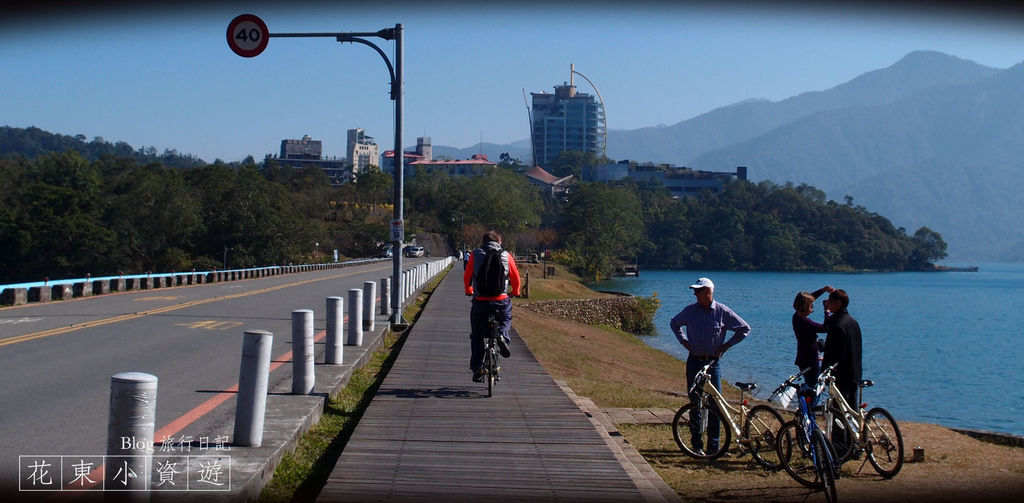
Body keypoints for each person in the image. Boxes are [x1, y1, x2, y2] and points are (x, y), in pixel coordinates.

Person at [669, 277, 751, 454]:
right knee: (695, 403)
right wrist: (684, 341)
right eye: (695, 291)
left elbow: (744, 328)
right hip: (694, 361)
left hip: (713, 363)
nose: (695, 294)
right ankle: (696, 446)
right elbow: (674, 323)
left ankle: (714, 447)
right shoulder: (690, 311)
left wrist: (727, 345)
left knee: (716, 404)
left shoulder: (722, 311)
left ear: (708, 292)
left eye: (698, 291)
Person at [464, 230, 521, 383]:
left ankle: (477, 369)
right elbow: (515, 277)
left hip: (480, 301)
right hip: (501, 300)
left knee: (476, 335)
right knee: (506, 318)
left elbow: (467, 276)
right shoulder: (506, 255)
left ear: (482, 242)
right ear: (499, 242)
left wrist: (468, 290)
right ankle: (503, 335)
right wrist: (515, 292)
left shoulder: (475, 254)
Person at [821, 289, 862, 410]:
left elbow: (833, 352)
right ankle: (855, 429)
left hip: (840, 374)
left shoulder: (837, 323)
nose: (827, 304)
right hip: (854, 371)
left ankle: (839, 430)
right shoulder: (852, 321)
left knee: (838, 410)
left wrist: (824, 373)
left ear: (838, 303)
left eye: (829, 301)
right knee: (852, 408)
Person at [792, 285, 834, 392]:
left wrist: (823, 290)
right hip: (810, 361)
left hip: (803, 359)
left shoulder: (796, 317)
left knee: (810, 385)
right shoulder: (805, 322)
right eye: (811, 305)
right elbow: (826, 328)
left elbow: (809, 298)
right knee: (815, 389)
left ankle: (805, 404)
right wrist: (827, 311)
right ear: (806, 306)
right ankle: (810, 408)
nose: (812, 306)